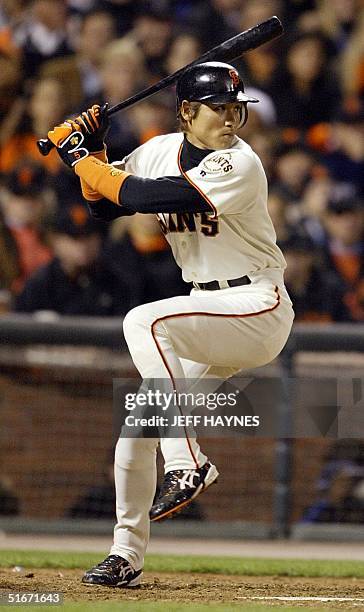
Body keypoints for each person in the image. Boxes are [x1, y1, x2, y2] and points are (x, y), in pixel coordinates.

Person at [47, 61, 295, 587]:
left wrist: (78, 158)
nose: (231, 119)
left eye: (236, 109)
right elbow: (104, 206)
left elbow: (144, 197)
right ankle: (125, 554)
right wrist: (92, 148)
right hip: (206, 312)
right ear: (186, 111)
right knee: (136, 432)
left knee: (145, 321)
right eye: (219, 109)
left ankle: (186, 462)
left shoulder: (240, 162)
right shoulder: (160, 148)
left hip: (256, 303)